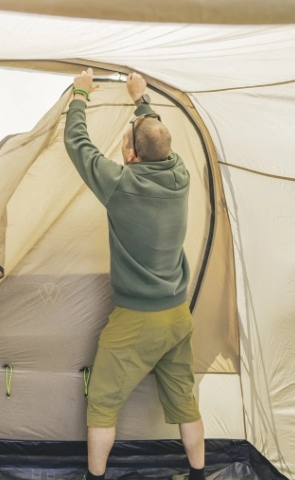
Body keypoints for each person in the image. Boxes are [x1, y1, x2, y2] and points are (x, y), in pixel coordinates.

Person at [63, 69, 205, 480]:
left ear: (131, 156)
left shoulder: (120, 184)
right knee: (185, 402)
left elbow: (77, 143)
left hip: (136, 321)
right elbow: (156, 138)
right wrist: (141, 100)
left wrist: (80, 94)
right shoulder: (180, 175)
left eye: (126, 142)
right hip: (177, 316)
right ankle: (198, 474)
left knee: (102, 404)